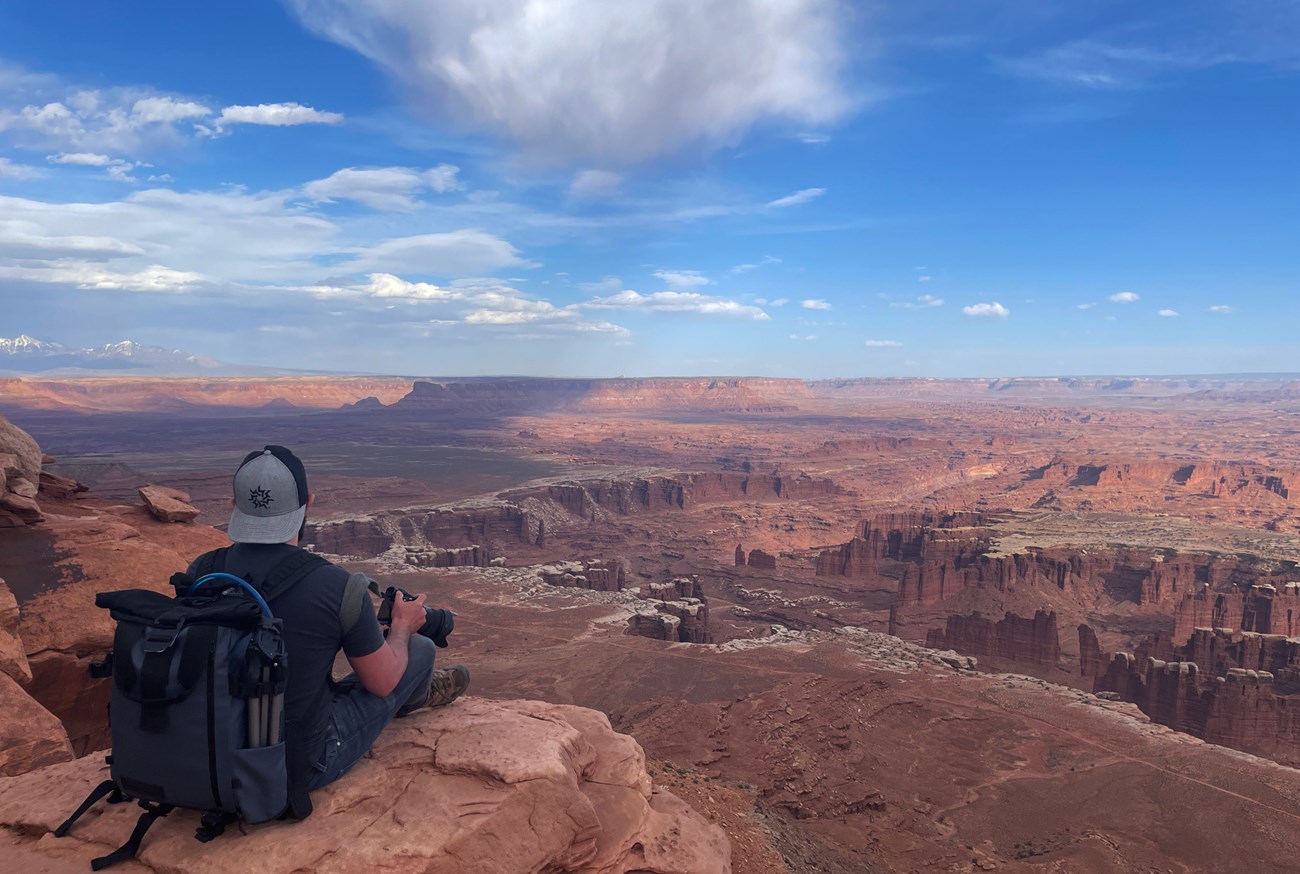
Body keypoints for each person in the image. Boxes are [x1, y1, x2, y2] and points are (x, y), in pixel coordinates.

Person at [187, 445, 470, 811]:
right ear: (308, 503)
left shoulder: (202, 571)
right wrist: (400, 628)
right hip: (294, 762)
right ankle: (417, 697)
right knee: (420, 651)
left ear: (233, 506)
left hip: (204, 751)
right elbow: (382, 683)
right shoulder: (336, 586)